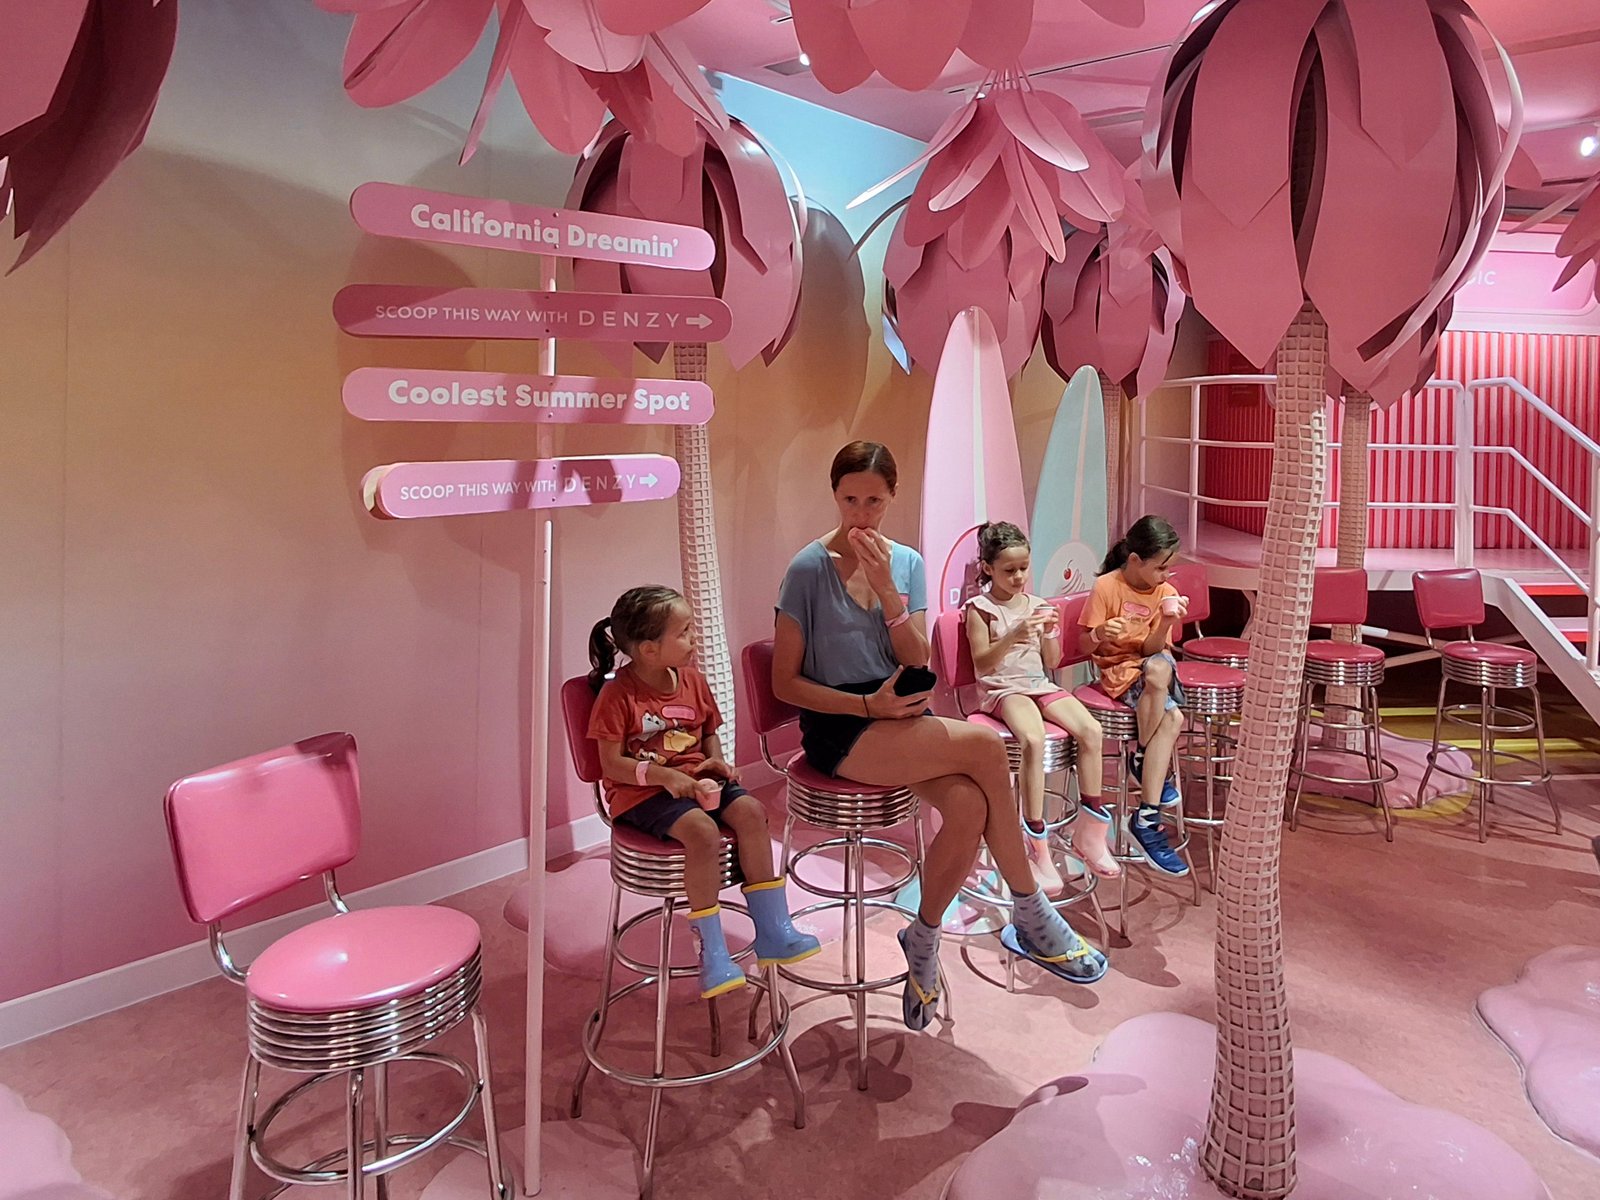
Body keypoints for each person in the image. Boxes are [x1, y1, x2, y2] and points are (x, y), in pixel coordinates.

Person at [772, 442, 1107, 1032]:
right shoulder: (807, 569)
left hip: (900, 715)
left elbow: (915, 657)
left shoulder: (906, 562)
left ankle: (922, 938)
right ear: (834, 495)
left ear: (892, 497)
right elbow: (785, 683)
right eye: (850, 500)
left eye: (874, 501)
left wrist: (887, 591)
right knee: (986, 746)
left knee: (970, 803)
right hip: (840, 725)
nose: (861, 514)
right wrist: (866, 704)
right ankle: (1031, 912)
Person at [588, 585, 820, 999]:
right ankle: (712, 952)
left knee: (751, 813)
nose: (694, 638)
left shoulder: (693, 680)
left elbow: (708, 732)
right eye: (683, 632)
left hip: (697, 781)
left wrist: (716, 762)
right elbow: (611, 764)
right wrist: (663, 777)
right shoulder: (617, 694)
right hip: (641, 793)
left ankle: (773, 930)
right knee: (701, 831)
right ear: (649, 650)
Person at [963, 521, 1121, 889]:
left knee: (1091, 730)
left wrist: (1051, 631)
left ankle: (1090, 831)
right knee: (1032, 740)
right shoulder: (980, 609)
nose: (1018, 577)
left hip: (1038, 684)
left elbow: (1052, 660)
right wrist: (1014, 634)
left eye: (1023, 568)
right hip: (1003, 690)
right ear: (988, 568)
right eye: (1009, 570)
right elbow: (982, 664)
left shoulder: (1037, 605)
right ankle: (1036, 844)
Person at [1078, 515, 1190, 877]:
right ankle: (1146, 818)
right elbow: (1083, 645)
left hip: (1151, 668)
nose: (1166, 576)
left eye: (1169, 568)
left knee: (1159, 667)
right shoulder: (1106, 587)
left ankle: (1142, 762)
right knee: (1173, 717)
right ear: (1135, 560)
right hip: (1119, 671)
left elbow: (1152, 649)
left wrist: (1167, 622)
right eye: (1160, 568)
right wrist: (1100, 633)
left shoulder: (1166, 593)